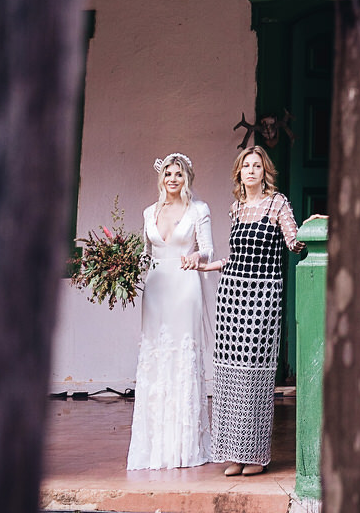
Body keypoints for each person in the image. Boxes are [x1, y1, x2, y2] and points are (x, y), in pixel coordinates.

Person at [187, 145, 302, 476]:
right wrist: (210, 267)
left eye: (257, 166)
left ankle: (255, 455)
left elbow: (293, 242)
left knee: (255, 374)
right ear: (239, 173)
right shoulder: (236, 209)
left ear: (265, 172)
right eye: (246, 166)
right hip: (232, 295)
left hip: (263, 296)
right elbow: (236, 257)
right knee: (230, 374)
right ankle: (233, 454)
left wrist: (313, 227)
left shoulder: (277, 204)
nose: (251, 170)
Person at [126, 152, 213, 470]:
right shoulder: (149, 212)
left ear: (186, 178)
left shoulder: (198, 210)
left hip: (185, 285)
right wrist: (120, 267)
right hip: (157, 287)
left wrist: (196, 258)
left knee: (181, 356)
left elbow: (208, 248)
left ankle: (184, 446)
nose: (172, 179)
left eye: (178, 174)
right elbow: (143, 253)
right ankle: (153, 447)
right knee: (155, 356)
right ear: (161, 178)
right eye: (168, 174)